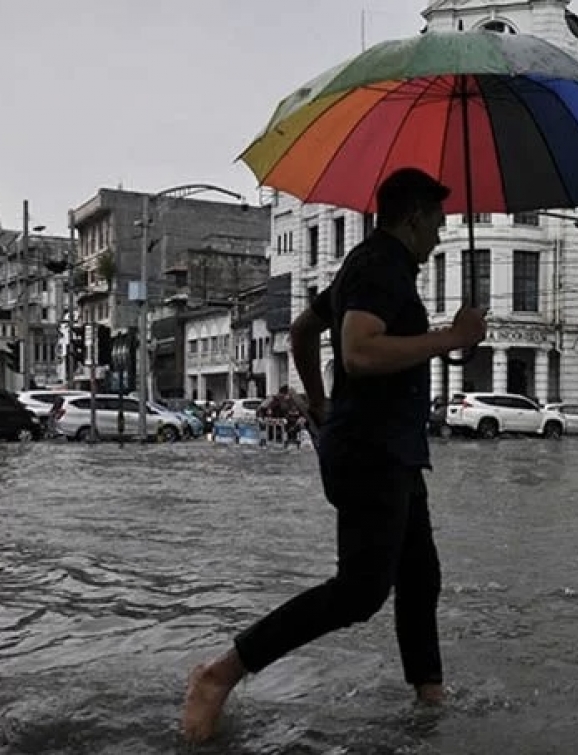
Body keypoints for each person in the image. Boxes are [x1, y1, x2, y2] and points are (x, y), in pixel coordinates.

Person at [181, 167, 488, 744]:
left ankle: (430, 700)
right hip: (373, 450)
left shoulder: (372, 264)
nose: (443, 234)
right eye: (440, 221)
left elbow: (301, 331)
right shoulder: (380, 266)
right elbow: (360, 352)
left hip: (388, 447)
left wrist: (320, 407)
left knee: (420, 577)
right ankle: (219, 674)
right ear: (416, 216)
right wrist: (451, 337)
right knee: (360, 591)